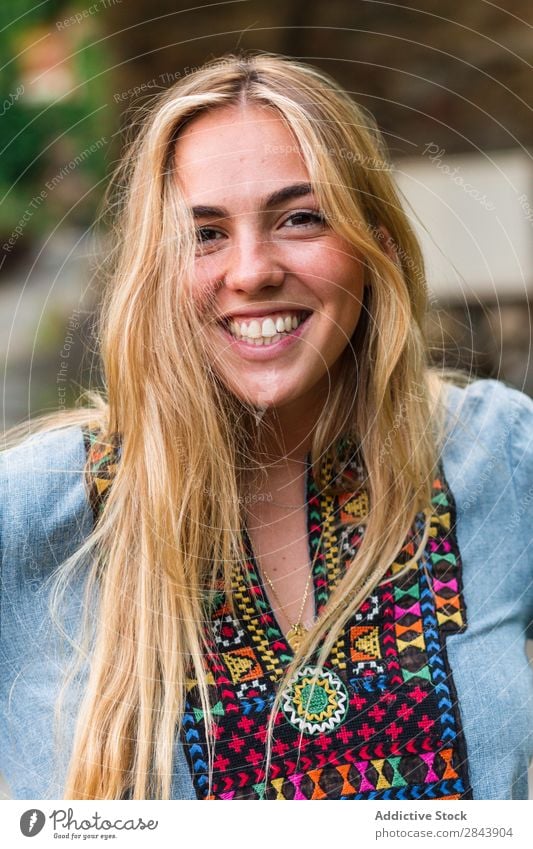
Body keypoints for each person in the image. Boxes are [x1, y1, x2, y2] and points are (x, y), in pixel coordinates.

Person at [1, 52, 532, 802]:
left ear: (375, 246)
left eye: (300, 217)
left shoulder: (495, 455)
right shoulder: (30, 509)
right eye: (206, 233)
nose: (251, 270)